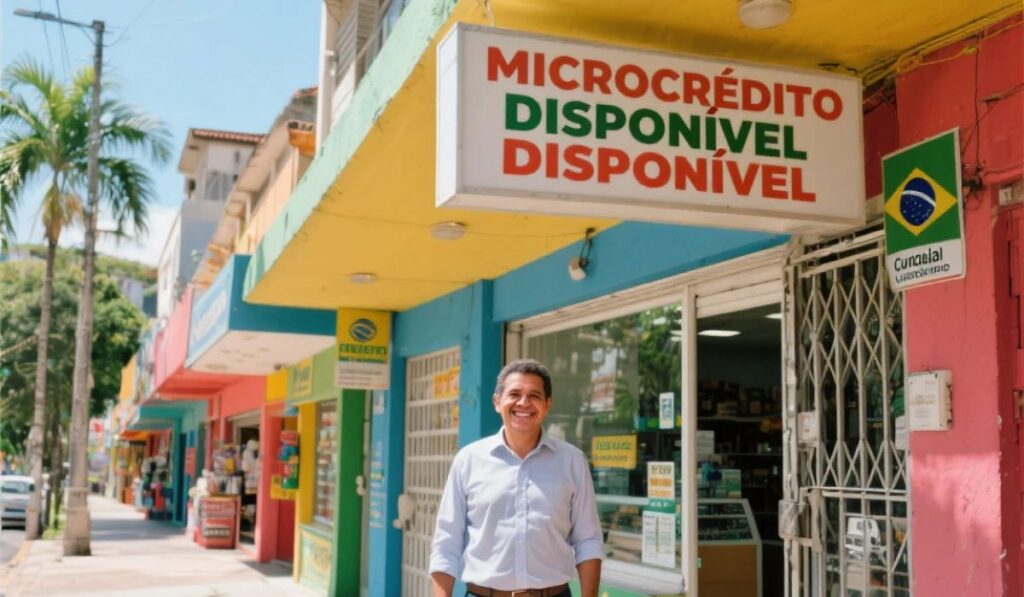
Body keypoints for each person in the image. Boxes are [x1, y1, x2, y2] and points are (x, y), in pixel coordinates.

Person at [429, 359, 604, 597]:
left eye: (534, 395)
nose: (523, 403)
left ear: (547, 404)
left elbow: (588, 541)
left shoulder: (572, 462)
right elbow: (446, 543)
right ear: (497, 402)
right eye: (514, 394)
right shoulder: (468, 460)